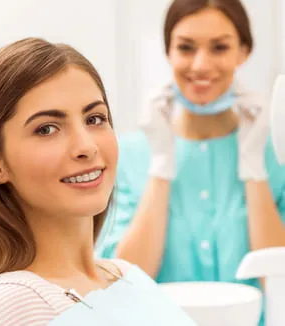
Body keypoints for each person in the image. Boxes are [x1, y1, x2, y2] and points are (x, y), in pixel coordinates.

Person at [0, 38, 196, 326]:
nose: (86, 146)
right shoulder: (15, 305)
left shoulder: (127, 275)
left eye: (95, 119)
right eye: (47, 129)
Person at [97, 0, 285, 324]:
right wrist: (160, 166)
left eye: (219, 47)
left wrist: (255, 169)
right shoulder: (129, 156)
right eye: (185, 47)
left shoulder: (274, 157)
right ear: (168, 52)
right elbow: (121, 287)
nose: (200, 65)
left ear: (244, 51)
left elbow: (279, 280)